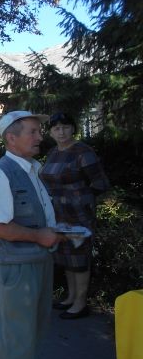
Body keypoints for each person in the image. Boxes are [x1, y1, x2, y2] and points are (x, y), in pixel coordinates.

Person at [0, 110, 63, 359]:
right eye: (33, 132)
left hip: (37, 260)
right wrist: (39, 236)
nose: (40, 137)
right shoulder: (0, 174)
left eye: (40, 131)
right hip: (17, 267)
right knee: (18, 334)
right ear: (11, 138)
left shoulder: (32, 168)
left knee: (34, 329)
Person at [40, 112, 110, 319]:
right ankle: (70, 297)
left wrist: (80, 198)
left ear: (73, 128)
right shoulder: (53, 152)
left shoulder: (83, 151)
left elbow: (101, 183)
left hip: (79, 215)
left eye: (65, 127)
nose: (61, 132)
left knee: (79, 256)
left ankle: (80, 303)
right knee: (65, 255)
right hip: (58, 213)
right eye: (56, 128)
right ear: (50, 132)